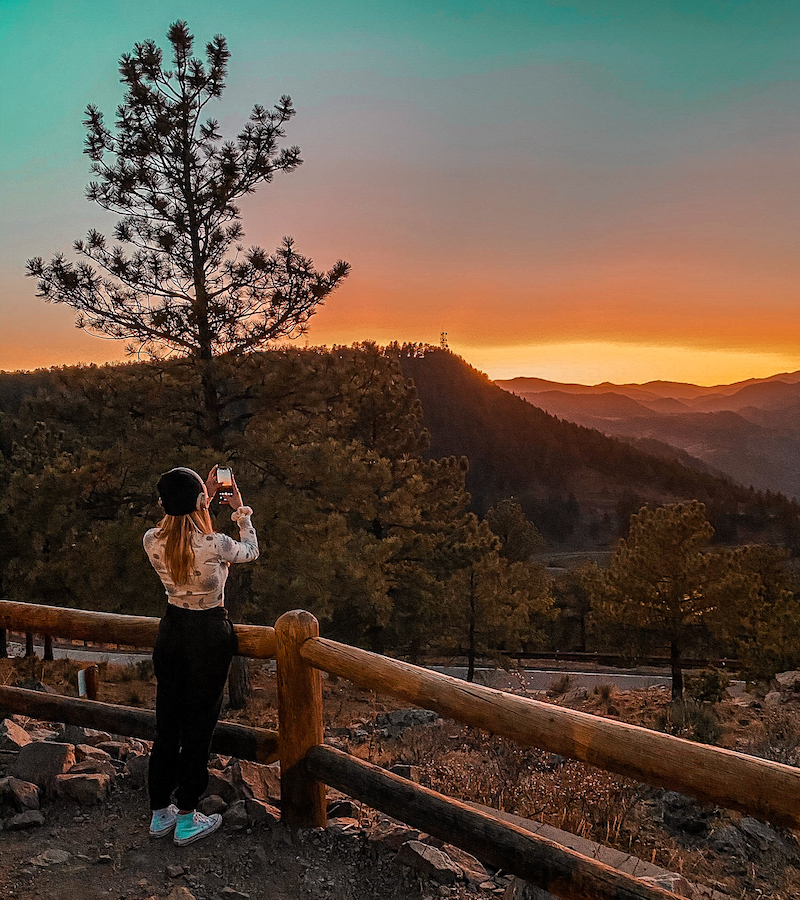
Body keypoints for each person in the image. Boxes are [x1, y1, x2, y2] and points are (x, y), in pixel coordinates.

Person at [143, 465, 259, 845]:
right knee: (199, 727)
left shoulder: (151, 540)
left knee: (168, 724)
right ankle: (189, 815)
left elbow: (181, 521)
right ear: (199, 502)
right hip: (209, 635)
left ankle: (161, 812)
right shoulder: (214, 544)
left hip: (172, 632)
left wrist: (200, 496)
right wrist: (241, 512)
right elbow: (251, 551)